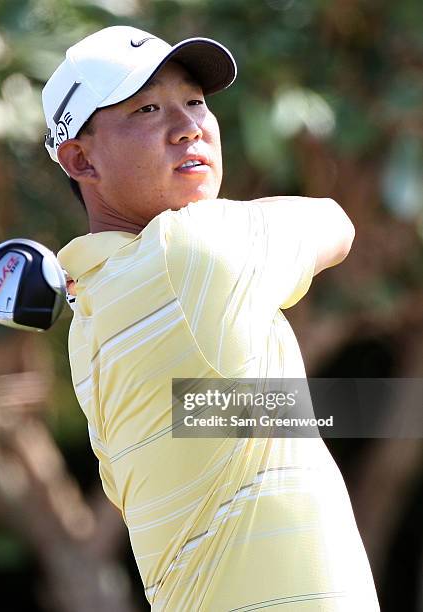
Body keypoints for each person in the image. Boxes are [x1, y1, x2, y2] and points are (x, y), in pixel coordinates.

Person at [42, 25, 380, 611]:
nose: (189, 126)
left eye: (195, 102)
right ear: (80, 158)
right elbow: (334, 222)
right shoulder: (186, 256)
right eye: (147, 108)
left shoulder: (93, 313)